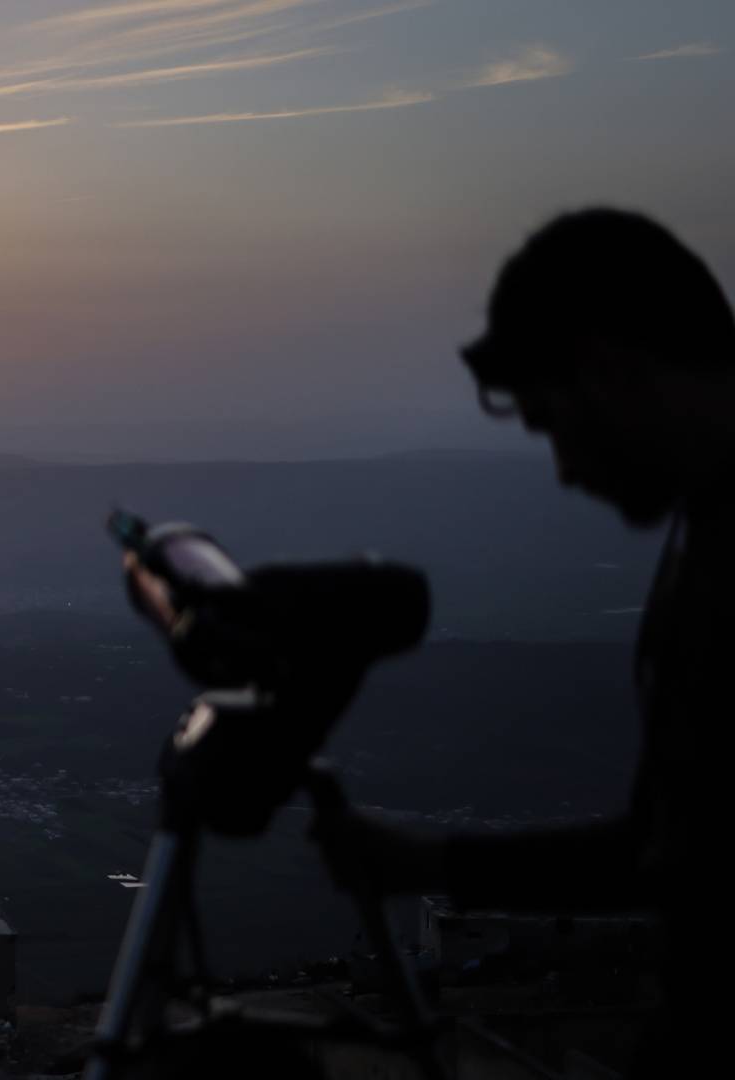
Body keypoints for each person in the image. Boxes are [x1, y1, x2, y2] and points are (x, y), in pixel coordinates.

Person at [315, 208, 735, 1074]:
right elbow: (667, 850)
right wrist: (424, 861)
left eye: (552, 423)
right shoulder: (701, 534)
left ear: (611, 371)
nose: (566, 470)